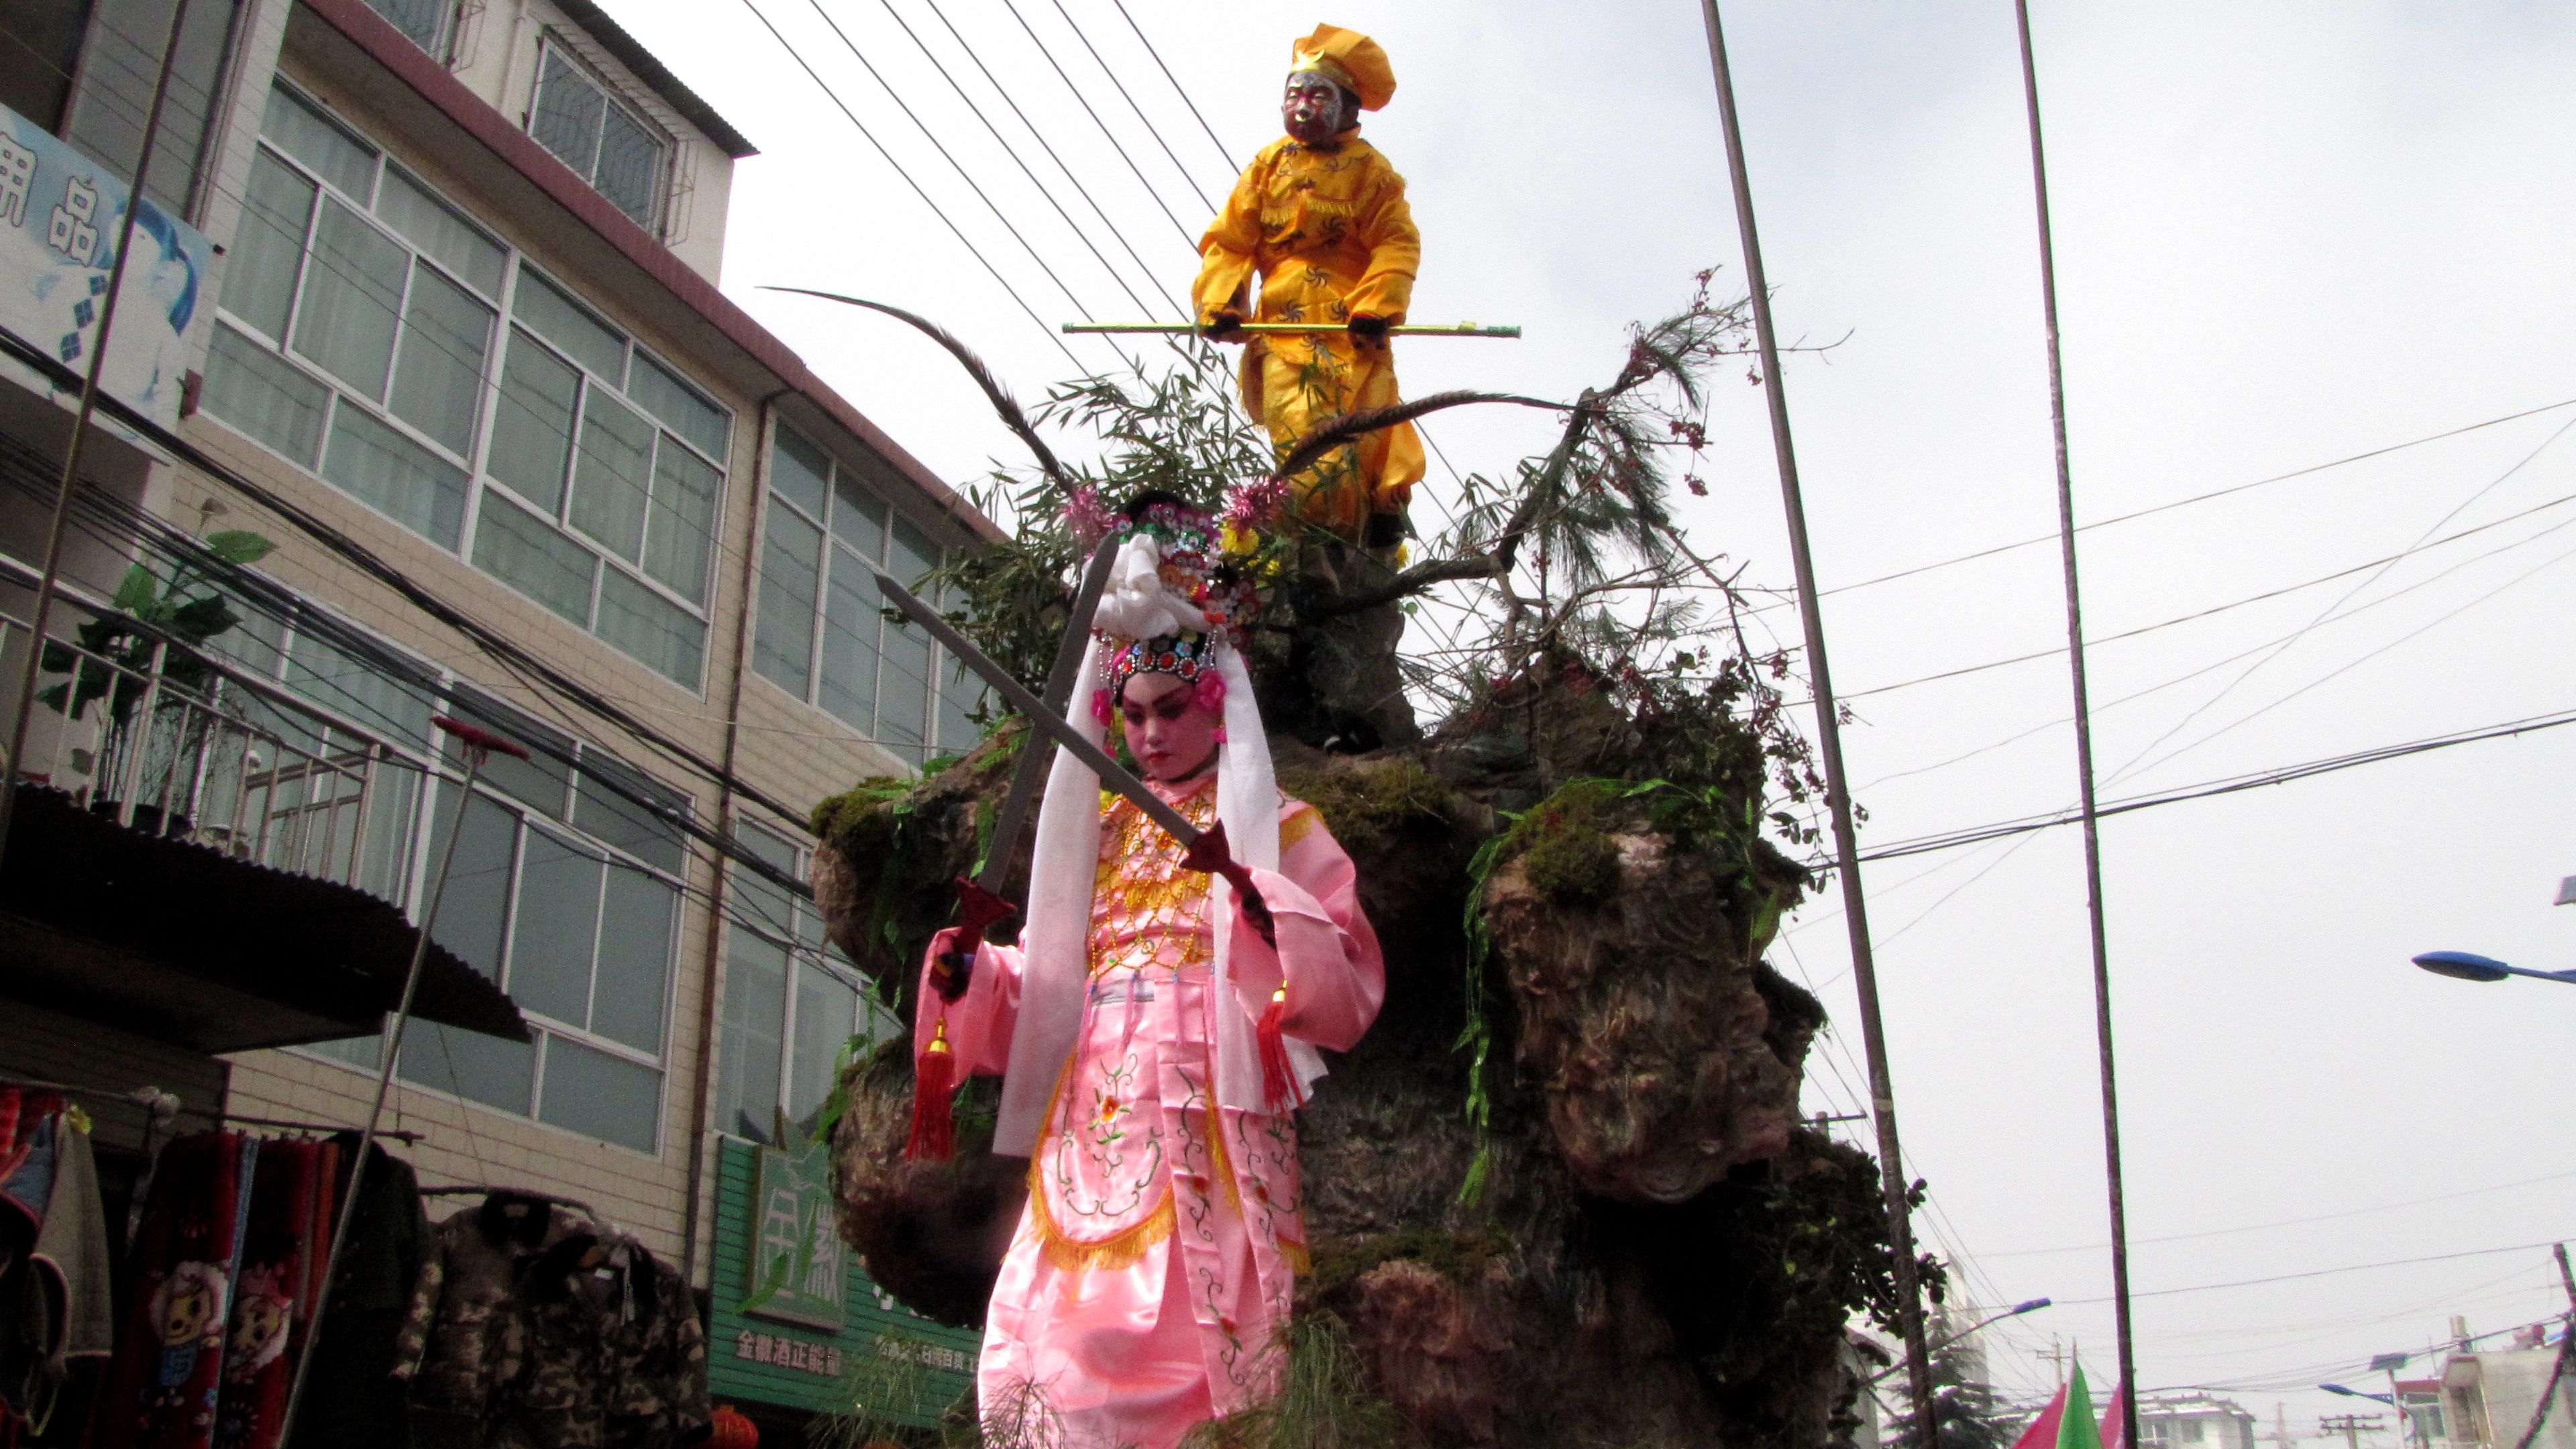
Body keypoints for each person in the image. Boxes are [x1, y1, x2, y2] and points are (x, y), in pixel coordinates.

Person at [913, 494, 1385, 1449]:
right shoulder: (1099, 831)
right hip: (1095, 1098)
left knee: (1211, 1334)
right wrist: (974, 979)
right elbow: (1050, 986)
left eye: (1171, 710)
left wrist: (1267, 913)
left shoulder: (1281, 828)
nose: (1151, 735)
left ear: (1215, 703)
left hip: (1216, 1096)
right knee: (1067, 1334)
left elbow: (1344, 981)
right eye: (1131, 716)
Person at [1194, 25, 1422, 548]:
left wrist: (1376, 305)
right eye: (1294, 94)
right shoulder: (1268, 165)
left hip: (1349, 327)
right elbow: (1230, 241)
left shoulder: (1372, 172)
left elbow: (1397, 244)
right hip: (1282, 331)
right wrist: (1223, 302)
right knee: (1303, 435)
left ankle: (1375, 521)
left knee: (1364, 434)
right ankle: (1310, 538)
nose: (1302, 105)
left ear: (1348, 108)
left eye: (1318, 95)